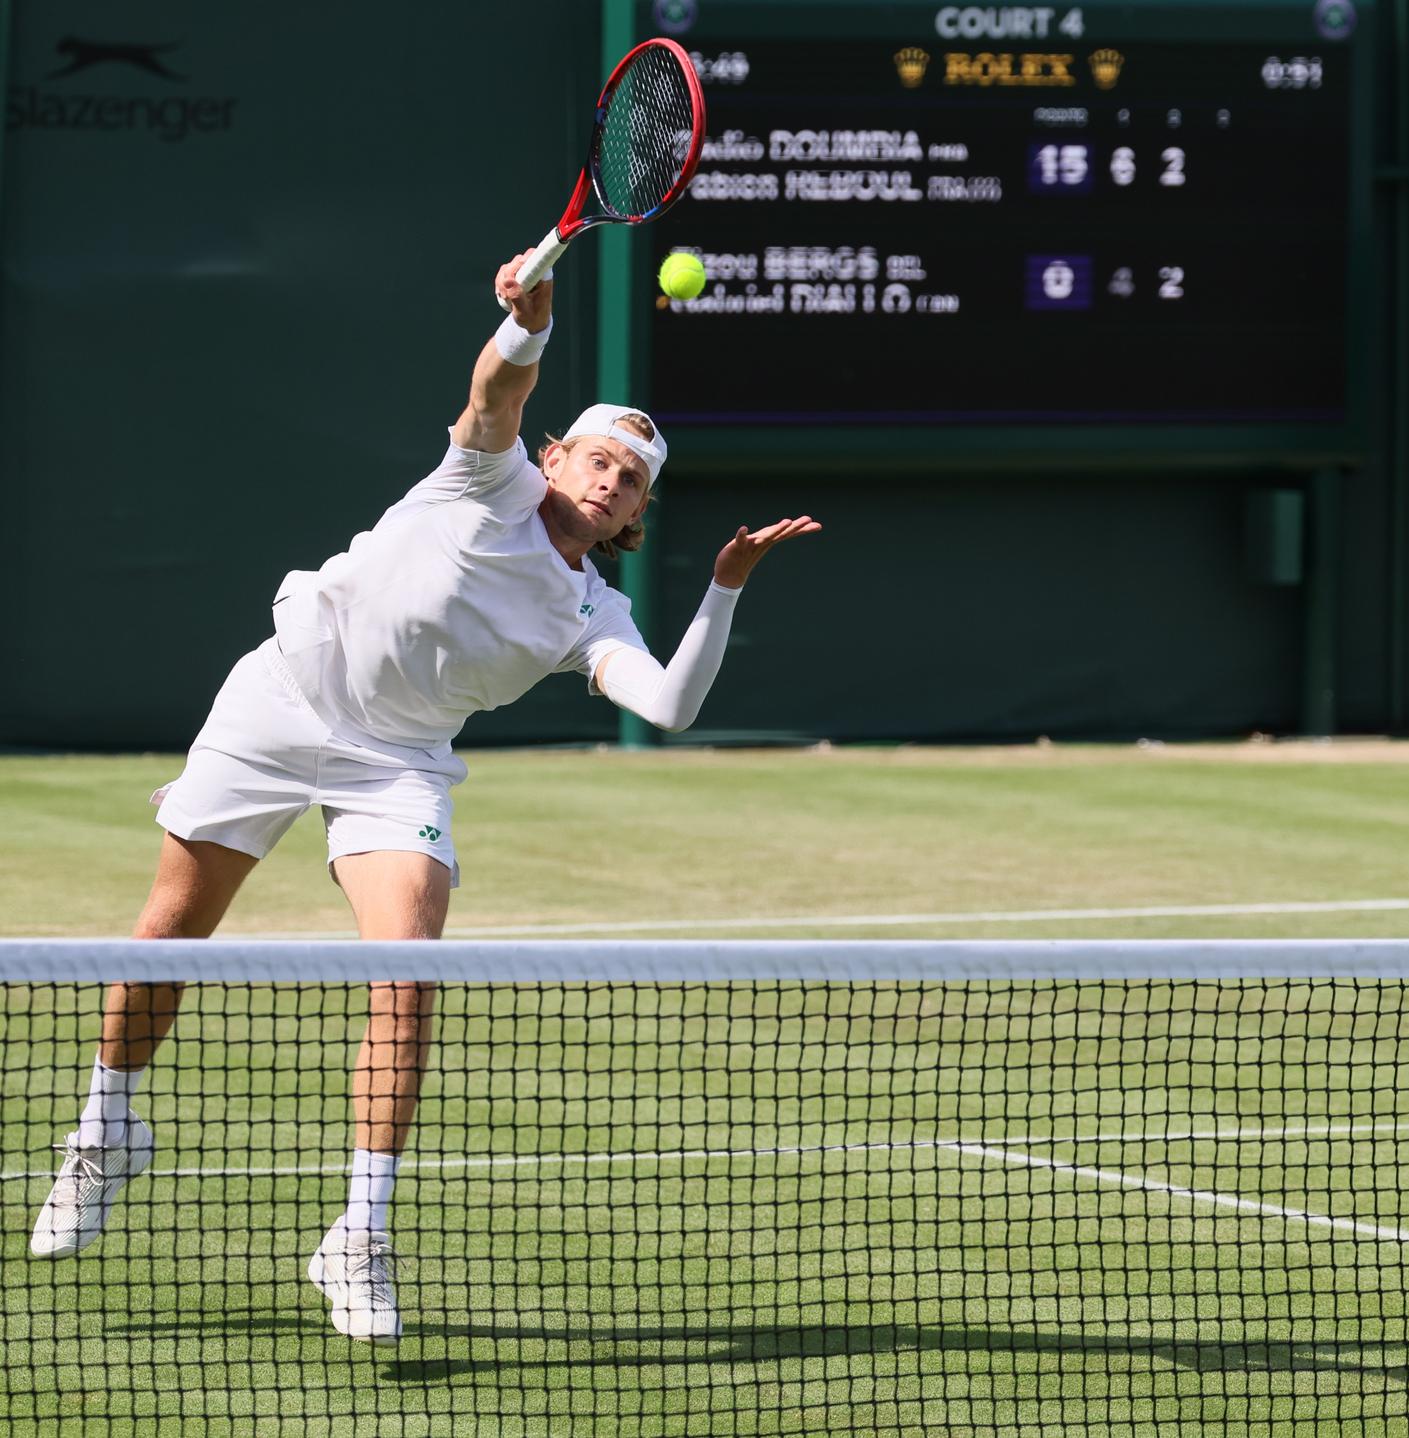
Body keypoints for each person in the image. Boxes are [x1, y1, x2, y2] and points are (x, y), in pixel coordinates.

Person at [27, 253, 821, 1341]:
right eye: (596, 458)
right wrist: (526, 331)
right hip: (280, 701)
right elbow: (495, 393)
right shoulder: (482, 478)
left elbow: (671, 704)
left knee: (409, 977)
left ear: (637, 507)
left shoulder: (594, 610)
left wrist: (722, 590)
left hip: (396, 763)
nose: (609, 482)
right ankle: (106, 1129)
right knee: (170, 931)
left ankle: (358, 1233)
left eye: (631, 479)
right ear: (555, 457)